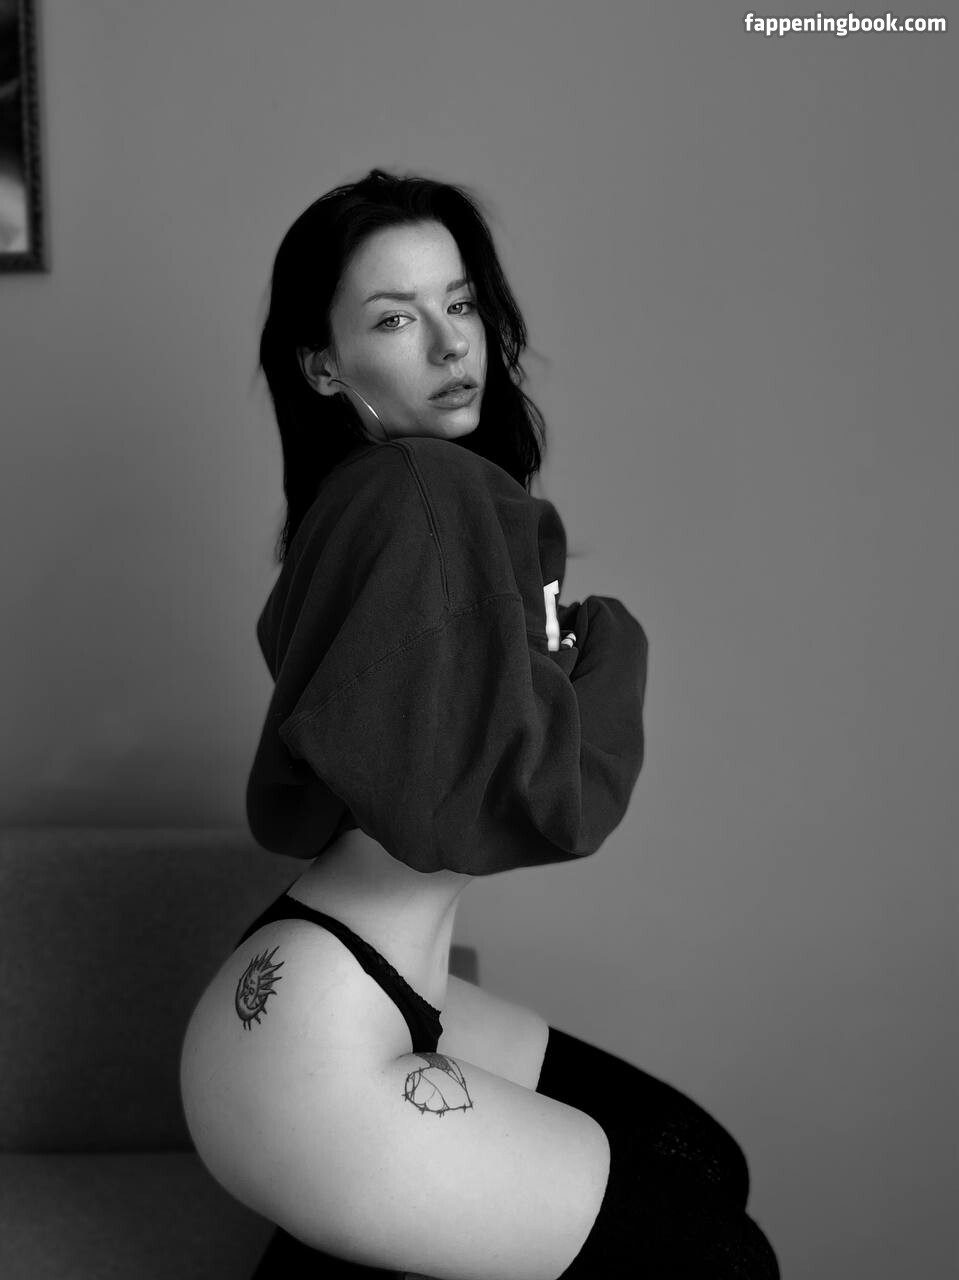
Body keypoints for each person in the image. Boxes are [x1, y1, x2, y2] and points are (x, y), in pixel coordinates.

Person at [179, 168, 780, 1279]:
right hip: (320, 1032)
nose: (451, 343)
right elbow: (502, 807)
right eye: (394, 318)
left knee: (693, 1156)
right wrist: (608, 645)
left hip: (328, 993)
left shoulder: (362, 502)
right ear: (322, 365)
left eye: (458, 303)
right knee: (715, 1254)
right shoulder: (420, 490)